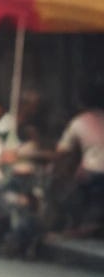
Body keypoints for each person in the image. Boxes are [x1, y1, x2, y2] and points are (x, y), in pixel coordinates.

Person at [54, 92, 104, 237]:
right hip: (93, 170)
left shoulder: (79, 122)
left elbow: (62, 151)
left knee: (71, 188)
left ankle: (82, 225)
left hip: (93, 171)